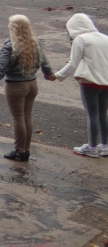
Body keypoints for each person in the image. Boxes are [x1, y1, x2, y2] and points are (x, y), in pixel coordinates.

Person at [0, 15, 55, 162]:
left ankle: (19, 151)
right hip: (32, 84)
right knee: (27, 117)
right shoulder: (36, 43)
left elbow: (0, 68)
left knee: (18, 119)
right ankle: (26, 150)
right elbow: (45, 63)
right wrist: (49, 74)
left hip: (16, 86)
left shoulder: (10, 46)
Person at [54, 13, 108, 158]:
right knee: (103, 114)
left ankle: (91, 146)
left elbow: (73, 63)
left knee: (92, 115)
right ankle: (105, 145)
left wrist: (57, 76)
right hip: (106, 83)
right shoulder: (105, 38)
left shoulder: (81, 40)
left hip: (89, 82)